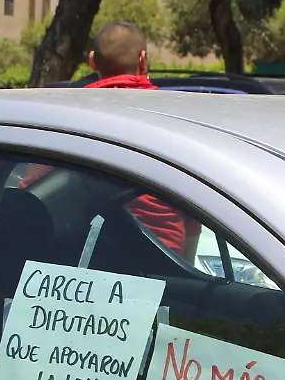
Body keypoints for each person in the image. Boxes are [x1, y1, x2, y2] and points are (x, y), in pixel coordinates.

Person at [18, 22, 202, 261]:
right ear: (143, 60)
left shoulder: (68, 118)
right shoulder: (173, 118)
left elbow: (30, 195)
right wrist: (185, 277)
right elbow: (195, 211)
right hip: (161, 267)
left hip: (84, 270)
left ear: (92, 61)